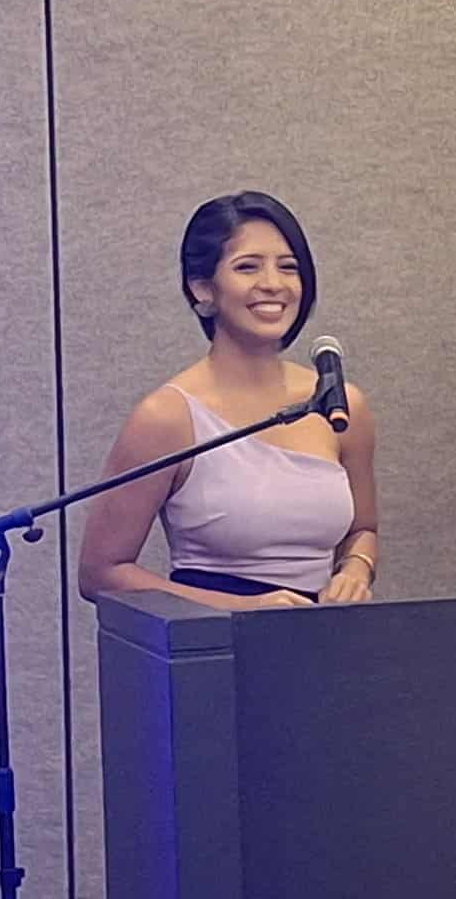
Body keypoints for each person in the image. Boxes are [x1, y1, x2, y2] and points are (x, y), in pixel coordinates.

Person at [79, 192, 379, 611]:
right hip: (213, 639)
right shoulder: (167, 417)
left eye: (288, 267)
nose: (273, 283)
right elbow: (101, 572)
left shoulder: (340, 405)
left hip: (323, 637)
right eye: (247, 267)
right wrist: (240, 609)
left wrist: (355, 570)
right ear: (202, 288)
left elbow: (363, 529)